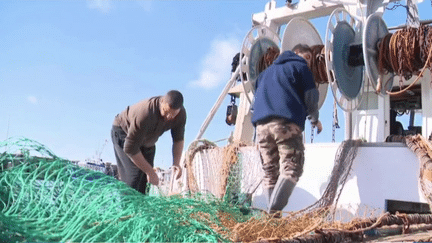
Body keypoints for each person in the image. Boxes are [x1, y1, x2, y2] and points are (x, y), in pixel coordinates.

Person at [251, 44, 323, 214]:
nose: (308, 63)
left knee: (270, 172)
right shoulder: (300, 67)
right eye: (307, 58)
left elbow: (256, 101)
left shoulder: (263, 75)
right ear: (297, 54)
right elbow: (311, 98)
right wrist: (315, 119)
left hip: (261, 127)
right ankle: (272, 213)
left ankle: (273, 221)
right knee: (292, 168)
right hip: (285, 123)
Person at [111, 90, 186, 194]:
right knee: (133, 179)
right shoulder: (145, 113)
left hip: (147, 141)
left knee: (145, 183)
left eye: (173, 114)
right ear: (162, 102)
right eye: (166, 111)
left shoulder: (181, 115)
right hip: (124, 133)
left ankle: (139, 210)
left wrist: (176, 163)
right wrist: (150, 172)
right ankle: (126, 209)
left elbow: (178, 140)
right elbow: (130, 148)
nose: (169, 117)